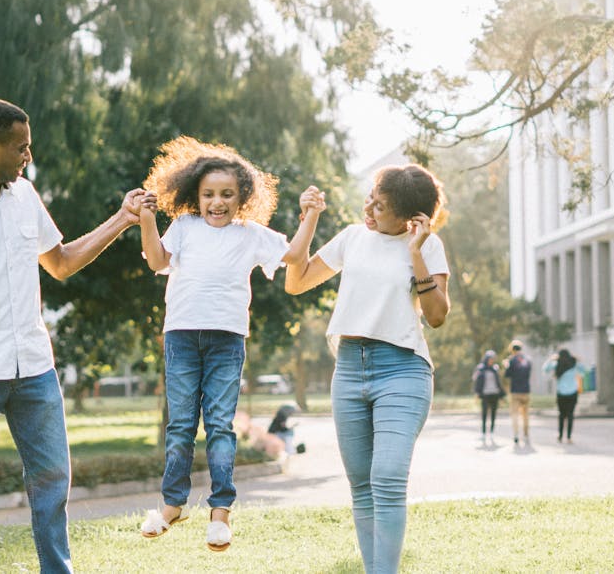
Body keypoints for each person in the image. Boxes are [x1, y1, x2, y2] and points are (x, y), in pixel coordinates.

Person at [0, 99, 153, 574]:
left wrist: (122, 219)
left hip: (34, 371)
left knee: (53, 483)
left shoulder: (25, 196)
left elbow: (59, 263)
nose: (28, 157)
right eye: (22, 148)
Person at [285, 164, 450, 574]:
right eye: (371, 197)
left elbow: (437, 316)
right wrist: (309, 218)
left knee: (388, 477)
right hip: (349, 368)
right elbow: (297, 280)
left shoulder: (428, 246)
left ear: (410, 218)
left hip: (403, 370)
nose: (370, 208)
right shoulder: (353, 237)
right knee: (362, 487)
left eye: (382, 205)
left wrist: (415, 253)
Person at [137, 136, 297, 552]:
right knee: (180, 426)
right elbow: (157, 261)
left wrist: (311, 215)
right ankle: (173, 505)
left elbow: (295, 254)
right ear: (196, 195)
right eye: (208, 194)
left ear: (243, 196)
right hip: (182, 338)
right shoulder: (185, 226)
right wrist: (146, 219)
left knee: (220, 426)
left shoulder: (251, 234)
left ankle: (220, 513)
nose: (217, 202)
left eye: (227, 194)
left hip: (227, 341)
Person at [543, 349, 591, 443]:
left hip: (561, 393)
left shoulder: (557, 364)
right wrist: (579, 361)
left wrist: (551, 359)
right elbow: (586, 370)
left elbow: (545, 369)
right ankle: (569, 437)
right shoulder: (574, 363)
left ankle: (560, 436)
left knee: (561, 415)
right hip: (573, 392)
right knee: (570, 415)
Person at [504, 339, 532, 445]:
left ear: (512, 350)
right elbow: (528, 374)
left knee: (515, 414)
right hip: (526, 390)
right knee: (525, 414)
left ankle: (516, 434)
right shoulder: (528, 360)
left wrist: (507, 365)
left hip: (515, 391)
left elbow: (507, 375)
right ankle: (526, 434)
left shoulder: (512, 360)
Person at [472, 350, 503, 444]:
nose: (491, 361)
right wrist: (477, 392)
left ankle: (492, 433)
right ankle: (483, 433)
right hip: (485, 394)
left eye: (493, 359)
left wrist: (501, 394)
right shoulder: (480, 368)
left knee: (493, 414)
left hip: (494, 394)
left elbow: (498, 382)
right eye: (490, 359)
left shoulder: (495, 368)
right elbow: (475, 379)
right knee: (484, 414)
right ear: (486, 359)